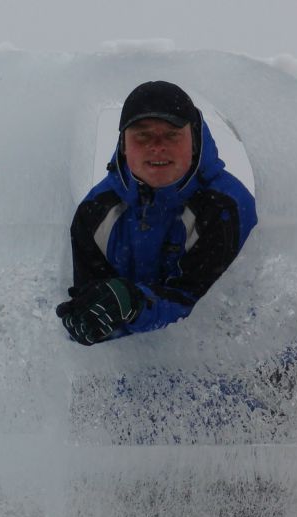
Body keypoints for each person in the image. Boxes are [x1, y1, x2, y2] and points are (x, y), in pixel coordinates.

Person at [56, 81, 257, 345]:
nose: (157, 146)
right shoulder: (95, 211)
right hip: (125, 378)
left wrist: (134, 303)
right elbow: (90, 295)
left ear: (194, 140)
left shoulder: (225, 206)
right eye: (142, 134)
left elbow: (204, 310)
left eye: (172, 134)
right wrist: (87, 321)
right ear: (124, 144)